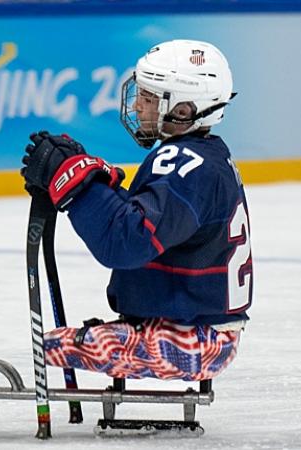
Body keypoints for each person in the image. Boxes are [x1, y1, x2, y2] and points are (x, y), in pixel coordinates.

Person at [21, 40, 252, 381]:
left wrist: (75, 182)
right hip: (196, 330)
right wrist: (91, 181)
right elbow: (148, 220)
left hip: (189, 341)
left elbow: (126, 242)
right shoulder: (204, 157)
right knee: (56, 347)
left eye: (149, 97)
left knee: (45, 349)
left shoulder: (186, 166)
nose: (138, 105)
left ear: (184, 110)